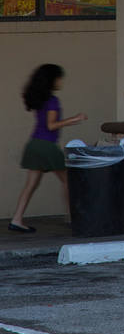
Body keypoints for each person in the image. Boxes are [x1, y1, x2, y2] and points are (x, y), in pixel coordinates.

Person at [9, 63, 86, 233]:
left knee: (31, 185)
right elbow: (51, 126)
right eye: (59, 78)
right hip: (47, 146)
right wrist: (74, 119)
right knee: (67, 180)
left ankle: (17, 219)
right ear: (53, 80)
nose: (61, 82)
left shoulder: (41, 99)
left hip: (34, 144)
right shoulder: (52, 101)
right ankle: (72, 217)